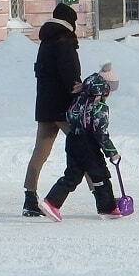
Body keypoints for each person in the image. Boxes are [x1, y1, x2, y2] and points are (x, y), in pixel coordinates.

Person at [38, 63, 123, 221]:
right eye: (111, 90)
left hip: (73, 140)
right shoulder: (99, 107)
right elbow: (101, 133)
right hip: (88, 144)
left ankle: (51, 202)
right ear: (105, 88)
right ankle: (108, 208)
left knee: (72, 175)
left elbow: (70, 117)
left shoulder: (79, 99)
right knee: (100, 175)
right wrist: (112, 152)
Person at [23, 2, 81, 217]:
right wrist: (79, 93)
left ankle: (30, 197)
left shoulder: (46, 41)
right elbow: (70, 75)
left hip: (45, 106)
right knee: (84, 148)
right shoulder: (64, 41)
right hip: (64, 108)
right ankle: (101, 193)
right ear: (70, 23)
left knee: (40, 152)